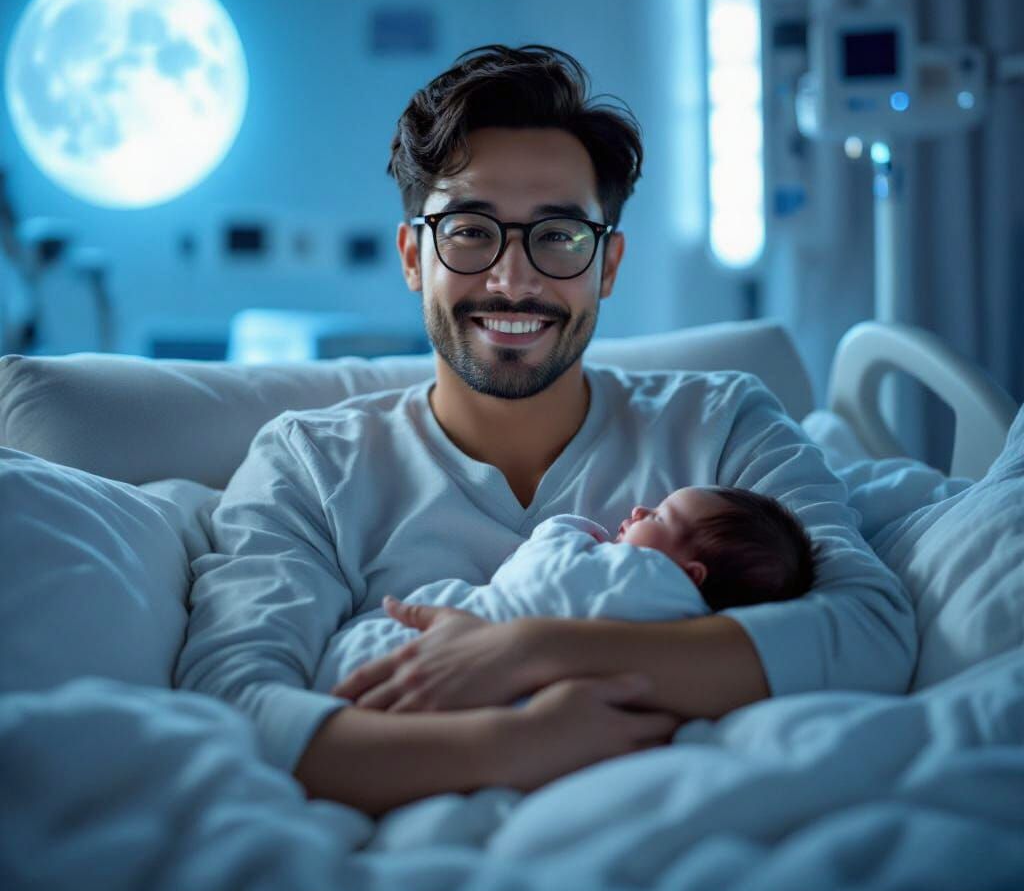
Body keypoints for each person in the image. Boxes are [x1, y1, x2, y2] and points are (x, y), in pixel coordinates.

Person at [175, 44, 916, 817]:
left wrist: (531, 651)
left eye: (559, 237)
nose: (513, 278)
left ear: (609, 265)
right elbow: (231, 708)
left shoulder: (723, 422)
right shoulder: (310, 467)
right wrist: (518, 745)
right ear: (411, 256)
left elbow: (869, 632)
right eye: (469, 230)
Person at [316, 486, 818, 693]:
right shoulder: (687, 630)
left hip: (446, 634)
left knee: (367, 650)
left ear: (690, 575)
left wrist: (573, 528)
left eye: (661, 516)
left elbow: (540, 571)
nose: (640, 511)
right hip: (514, 682)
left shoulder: (637, 577)